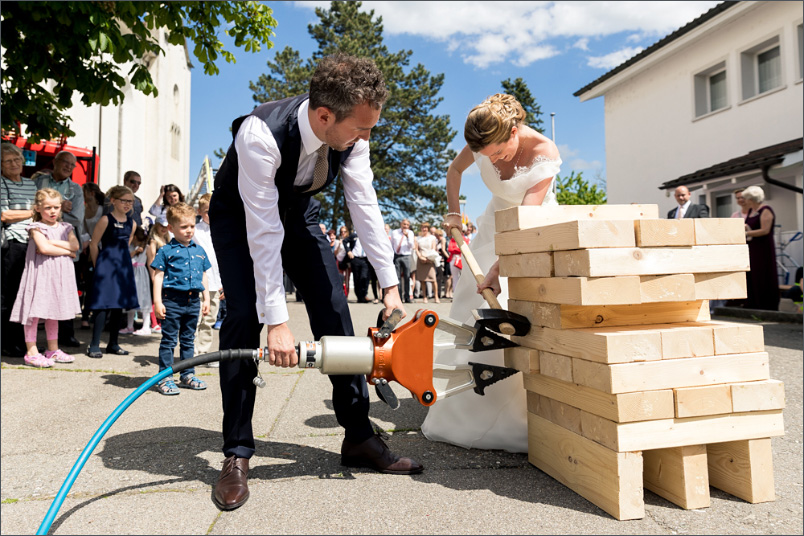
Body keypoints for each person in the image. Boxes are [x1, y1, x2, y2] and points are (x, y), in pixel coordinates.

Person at [208, 53, 421, 511]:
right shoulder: (259, 133)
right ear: (325, 115)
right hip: (240, 216)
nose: (366, 137)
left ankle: (359, 436)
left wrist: (389, 284)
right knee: (245, 316)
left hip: (300, 212)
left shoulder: (351, 136)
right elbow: (263, 232)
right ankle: (237, 452)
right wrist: (277, 321)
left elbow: (364, 205)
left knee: (335, 311)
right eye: (361, 128)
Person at [421, 93, 562, 453]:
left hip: (529, 235)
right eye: (487, 156)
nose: (494, 160)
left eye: (499, 152)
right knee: (471, 307)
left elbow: (525, 222)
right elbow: (455, 171)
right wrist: (453, 213)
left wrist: (501, 267)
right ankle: (463, 410)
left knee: (513, 313)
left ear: (515, 130)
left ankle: (520, 414)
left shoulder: (544, 152)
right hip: (491, 228)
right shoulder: (483, 139)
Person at [10, 188, 81, 366]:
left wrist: (55, 242)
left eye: (56, 207)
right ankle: (32, 351)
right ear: (38, 209)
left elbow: (75, 245)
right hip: (40, 274)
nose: (52, 211)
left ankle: (52, 349)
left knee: (53, 312)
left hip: (58, 276)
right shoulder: (35, 227)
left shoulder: (66, 227)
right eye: (48, 207)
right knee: (34, 312)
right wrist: (68, 252)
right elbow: (44, 249)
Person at [151, 202, 211, 395]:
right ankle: (165, 377)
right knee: (169, 340)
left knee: (188, 340)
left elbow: (204, 275)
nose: (189, 231)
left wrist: (207, 299)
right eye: (184, 227)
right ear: (171, 228)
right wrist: (158, 302)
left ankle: (187, 374)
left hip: (193, 301)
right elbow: (158, 276)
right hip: (173, 301)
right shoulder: (166, 251)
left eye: (192, 226)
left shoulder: (199, 251)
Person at [35, 150, 85, 348]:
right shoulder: (39, 182)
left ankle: (66, 334)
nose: (68, 167)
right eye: (65, 162)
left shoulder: (76, 189)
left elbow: (77, 218)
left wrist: (50, 213)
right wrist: (59, 208)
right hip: (39, 243)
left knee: (64, 290)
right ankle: (33, 339)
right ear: (55, 162)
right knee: (39, 288)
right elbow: (33, 209)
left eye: (72, 165)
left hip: (64, 245)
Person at [86, 185, 139, 358]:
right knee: (102, 305)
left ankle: (113, 344)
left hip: (123, 267)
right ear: (113, 201)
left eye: (130, 201)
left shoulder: (132, 223)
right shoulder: (105, 220)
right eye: (123, 200)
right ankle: (94, 345)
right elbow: (94, 244)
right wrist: (97, 265)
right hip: (106, 265)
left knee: (118, 306)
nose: (127, 204)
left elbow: (126, 245)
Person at [1, 143, 38, 357]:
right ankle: (6, 342)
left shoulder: (30, 184)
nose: (14, 164)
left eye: (17, 160)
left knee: (26, 296)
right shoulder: (1, 182)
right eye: (8, 161)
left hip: (32, 242)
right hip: (13, 244)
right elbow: (4, 215)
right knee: (9, 295)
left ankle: (23, 341)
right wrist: (32, 211)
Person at [193, 193, 223, 366]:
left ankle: (203, 354)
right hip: (198, 283)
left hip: (215, 283)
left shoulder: (223, 229)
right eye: (206, 212)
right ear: (199, 211)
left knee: (209, 320)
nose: (211, 215)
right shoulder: (195, 230)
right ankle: (191, 354)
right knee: (195, 319)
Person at [742, 185, 779, 311]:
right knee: (753, 274)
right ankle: (753, 302)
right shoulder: (751, 211)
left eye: (746, 198)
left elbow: (765, 230)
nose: (745, 201)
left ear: (752, 199)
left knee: (763, 273)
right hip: (752, 248)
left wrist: (746, 233)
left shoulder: (766, 210)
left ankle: (766, 304)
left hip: (763, 249)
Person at [79, 183, 106, 329]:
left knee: (99, 284)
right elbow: (83, 230)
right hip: (89, 248)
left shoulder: (102, 210)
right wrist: (88, 243)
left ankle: (97, 315)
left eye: (84, 192)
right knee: (88, 284)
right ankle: (85, 316)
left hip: (102, 248)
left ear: (91, 193)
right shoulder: (82, 209)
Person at [119, 226, 153, 336]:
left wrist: (153, 277)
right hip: (131, 274)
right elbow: (125, 258)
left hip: (141, 274)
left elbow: (150, 263)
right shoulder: (130, 247)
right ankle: (129, 326)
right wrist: (134, 251)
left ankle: (146, 326)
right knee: (131, 299)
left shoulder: (147, 247)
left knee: (143, 298)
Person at [145, 216, 171, 335]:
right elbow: (151, 260)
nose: (164, 228)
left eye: (166, 226)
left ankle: (160, 322)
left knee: (163, 298)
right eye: (161, 225)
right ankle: (154, 323)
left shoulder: (168, 240)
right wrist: (153, 276)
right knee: (154, 298)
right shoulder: (153, 241)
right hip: (156, 273)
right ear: (156, 225)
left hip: (166, 273)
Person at [414, 222, 440, 304]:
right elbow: (416, 249)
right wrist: (421, 257)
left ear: (428, 228)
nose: (424, 229)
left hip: (430, 259)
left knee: (433, 279)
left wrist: (429, 258)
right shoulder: (418, 238)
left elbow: (433, 248)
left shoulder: (432, 238)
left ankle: (436, 296)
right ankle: (424, 297)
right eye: (422, 227)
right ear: (421, 228)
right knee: (422, 280)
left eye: (426, 227)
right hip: (421, 260)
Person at [390, 219, 415, 303]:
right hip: (397, 256)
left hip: (406, 256)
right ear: (401, 224)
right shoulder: (394, 232)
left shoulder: (410, 233)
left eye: (407, 225)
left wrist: (407, 237)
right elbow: (391, 244)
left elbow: (411, 246)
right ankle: (399, 297)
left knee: (407, 277)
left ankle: (407, 297)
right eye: (404, 224)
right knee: (397, 278)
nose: (406, 226)